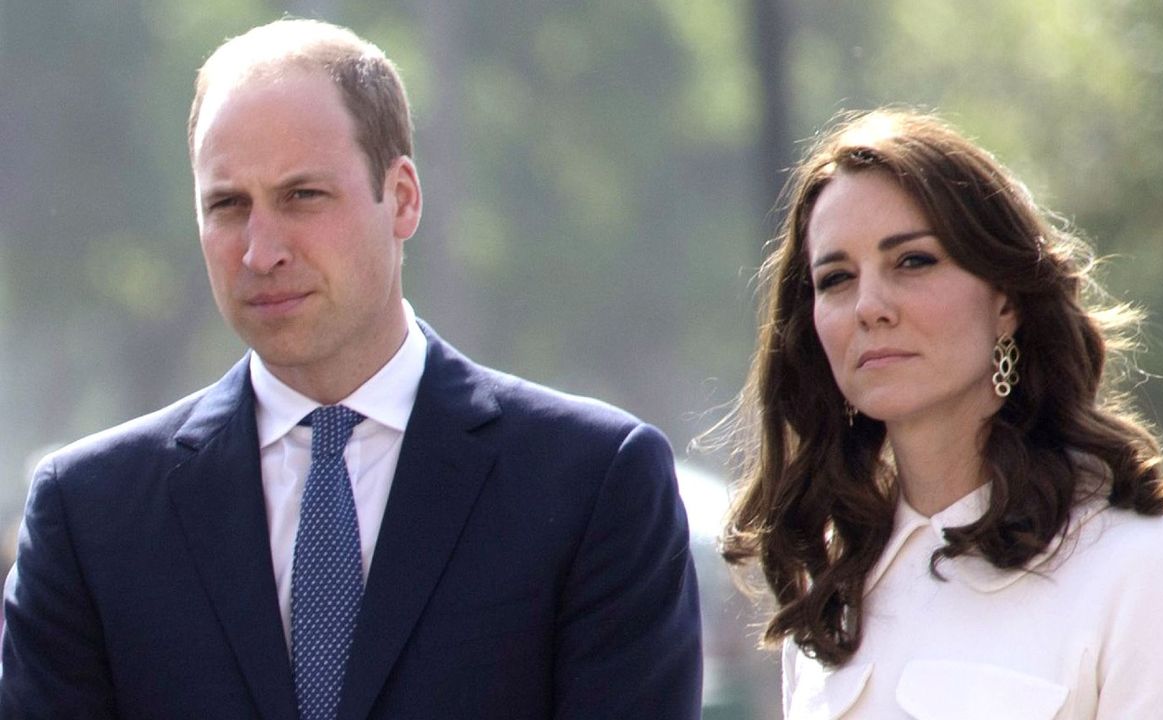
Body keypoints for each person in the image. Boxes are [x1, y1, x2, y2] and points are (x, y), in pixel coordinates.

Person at [0, 18, 701, 720]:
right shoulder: (90, 513)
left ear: (401, 198)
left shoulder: (591, 482)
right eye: (227, 205)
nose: (260, 249)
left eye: (302, 196)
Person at [716, 108, 1163, 718]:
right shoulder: (832, 583)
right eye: (835, 278)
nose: (870, 306)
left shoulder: (1140, 567)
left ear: (1007, 301)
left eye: (913, 261)